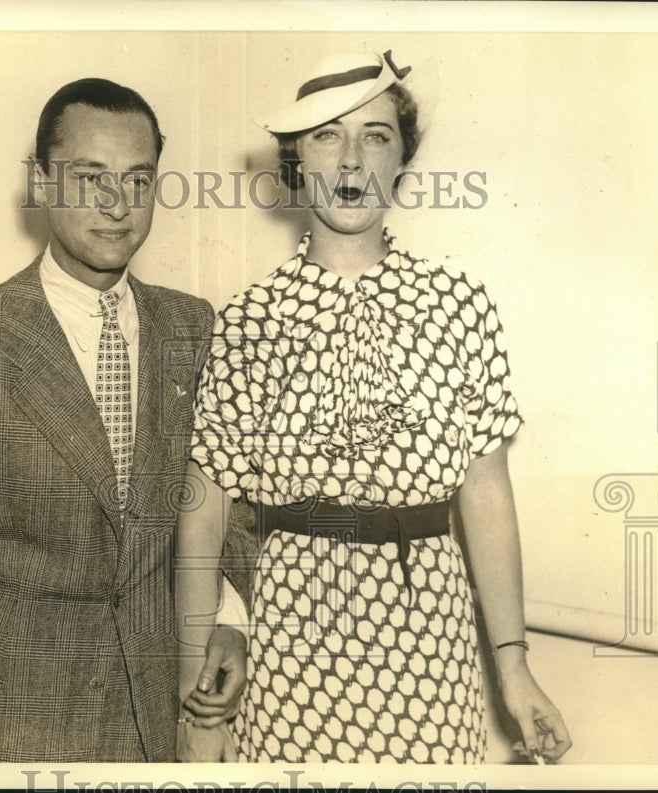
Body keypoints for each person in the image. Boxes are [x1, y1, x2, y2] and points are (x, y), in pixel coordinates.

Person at [176, 50, 572, 763]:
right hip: (290, 635)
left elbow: (486, 495)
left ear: (401, 160)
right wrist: (196, 667)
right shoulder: (249, 318)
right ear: (297, 161)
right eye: (328, 135)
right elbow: (204, 507)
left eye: (377, 136)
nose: (352, 159)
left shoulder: (458, 304)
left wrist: (513, 669)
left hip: (431, 638)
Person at [0, 78, 250, 763]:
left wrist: (230, 619)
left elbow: (236, 499)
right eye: (90, 178)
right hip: (16, 732)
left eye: (138, 179)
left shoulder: (195, 327)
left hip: (165, 725)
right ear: (40, 182)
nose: (118, 204)